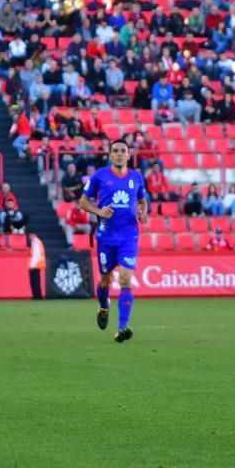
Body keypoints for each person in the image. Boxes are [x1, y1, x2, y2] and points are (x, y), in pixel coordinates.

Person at [79, 140, 147, 343]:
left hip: (128, 236)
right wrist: (99, 211)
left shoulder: (136, 177)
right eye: (115, 151)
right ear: (110, 155)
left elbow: (142, 200)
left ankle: (122, 327)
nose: (119, 154)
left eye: (122, 151)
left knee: (125, 279)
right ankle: (103, 305)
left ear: (128, 155)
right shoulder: (100, 175)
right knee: (105, 280)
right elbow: (83, 201)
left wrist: (143, 213)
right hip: (106, 236)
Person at [28, 233, 45, 300]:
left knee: (34, 281)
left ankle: (36, 296)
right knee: (36, 281)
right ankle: (37, 295)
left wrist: (32, 265)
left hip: (35, 265)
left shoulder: (36, 243)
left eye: (30, 235)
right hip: (37, 265)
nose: (29, 237)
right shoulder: (36, 242)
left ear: (33, 235)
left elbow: (36, 255)